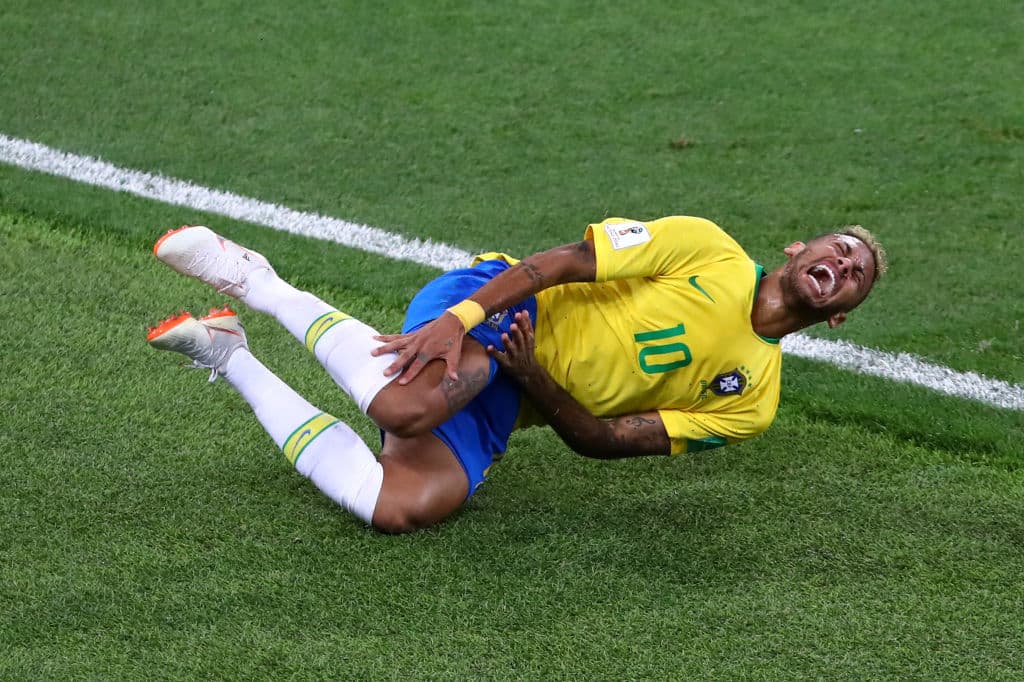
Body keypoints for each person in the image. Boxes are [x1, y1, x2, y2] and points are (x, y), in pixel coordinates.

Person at [146, 216, 886, 533]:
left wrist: (534, 378)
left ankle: (228, 354)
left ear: (842, 313)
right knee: (409, 408)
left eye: (858, 273)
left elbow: (603, 440)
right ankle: (257, 281)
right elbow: (560, 262)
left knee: (399, 506)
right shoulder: (710, 250)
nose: (845, 264)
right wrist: (460, 321)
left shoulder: (752, 400)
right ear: (798, 248)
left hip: (518, 386)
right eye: (842, 247)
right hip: (496, 310)